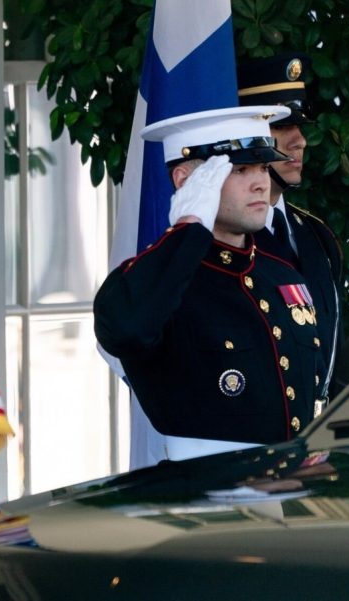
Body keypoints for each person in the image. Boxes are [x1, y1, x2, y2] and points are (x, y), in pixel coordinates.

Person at [95, 106, 329, 459]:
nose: (261, 182)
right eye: (239, 169)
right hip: (208, 497)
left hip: (295, 491)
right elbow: (126, 330)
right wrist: (189, 226)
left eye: (263, 167)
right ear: (186, 181)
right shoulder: (157, 284)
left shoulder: (280, 274)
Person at [238, 53, 344, 398]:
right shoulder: (222, 239)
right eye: (281, 126)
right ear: (246, 135)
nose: (300, 140)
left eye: (299, 127)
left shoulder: (318, 236)